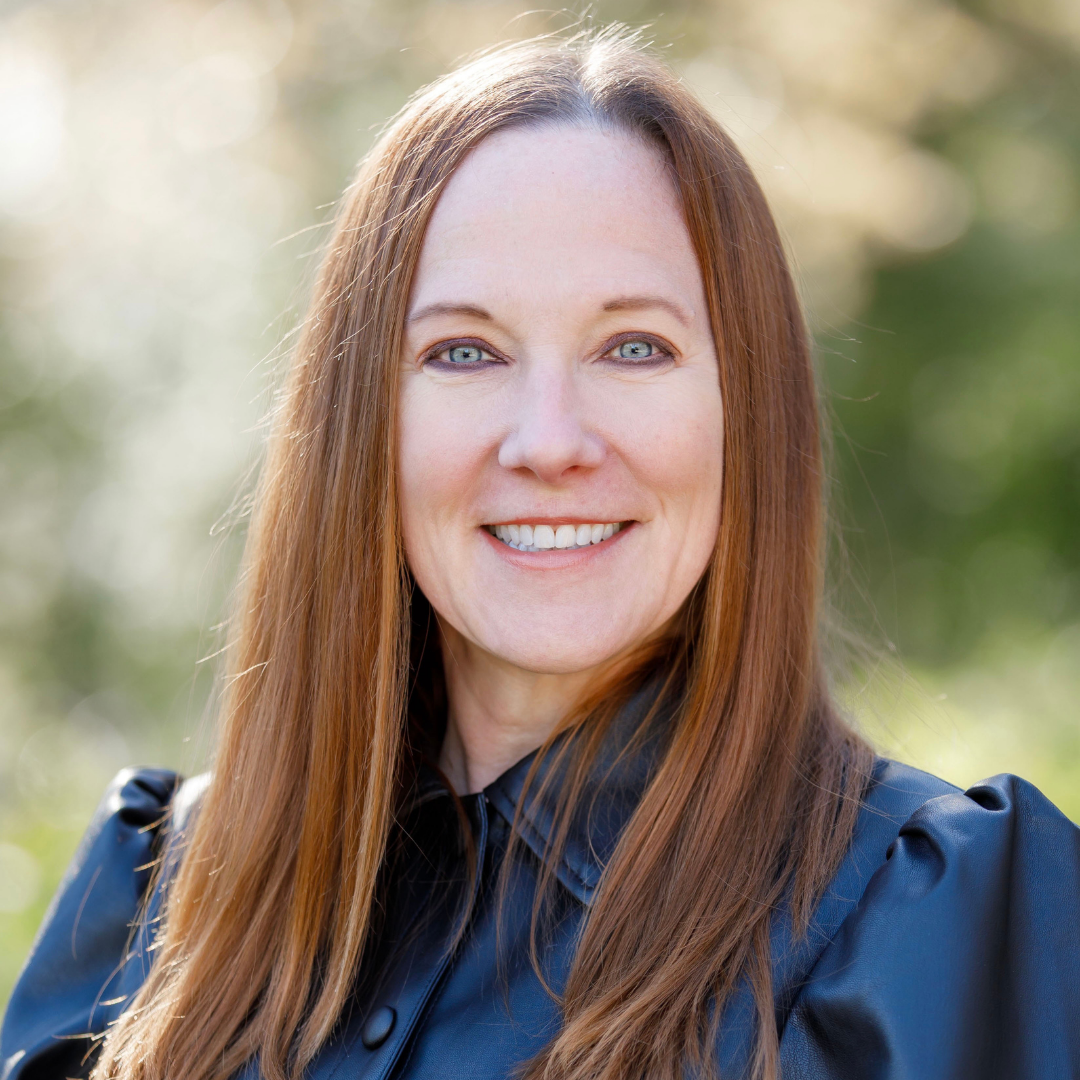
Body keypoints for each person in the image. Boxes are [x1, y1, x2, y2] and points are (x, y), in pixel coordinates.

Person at [3, 29, 1078, 1080]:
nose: (550, 441)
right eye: (464, 351)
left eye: (634, 347)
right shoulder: (156, 902)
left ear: (747, 413)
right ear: (359, 422)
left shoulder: (933, 925)